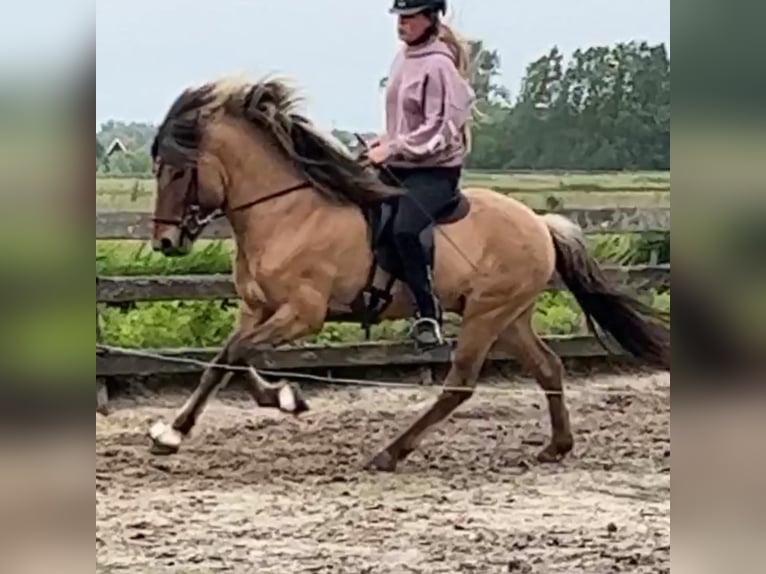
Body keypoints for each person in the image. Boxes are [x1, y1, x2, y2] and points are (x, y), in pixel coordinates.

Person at [366, 0, 475, 348]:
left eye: (410, 18)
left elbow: (439, 131)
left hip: (434, 172)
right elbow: (403, 124)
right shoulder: (403, 59)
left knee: (406, 229)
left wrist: (393, 148)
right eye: (400, 17)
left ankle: (428, 314)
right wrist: (380, 142)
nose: (402, 24)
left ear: (430, 19)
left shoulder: (440, 67)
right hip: (400, 165)